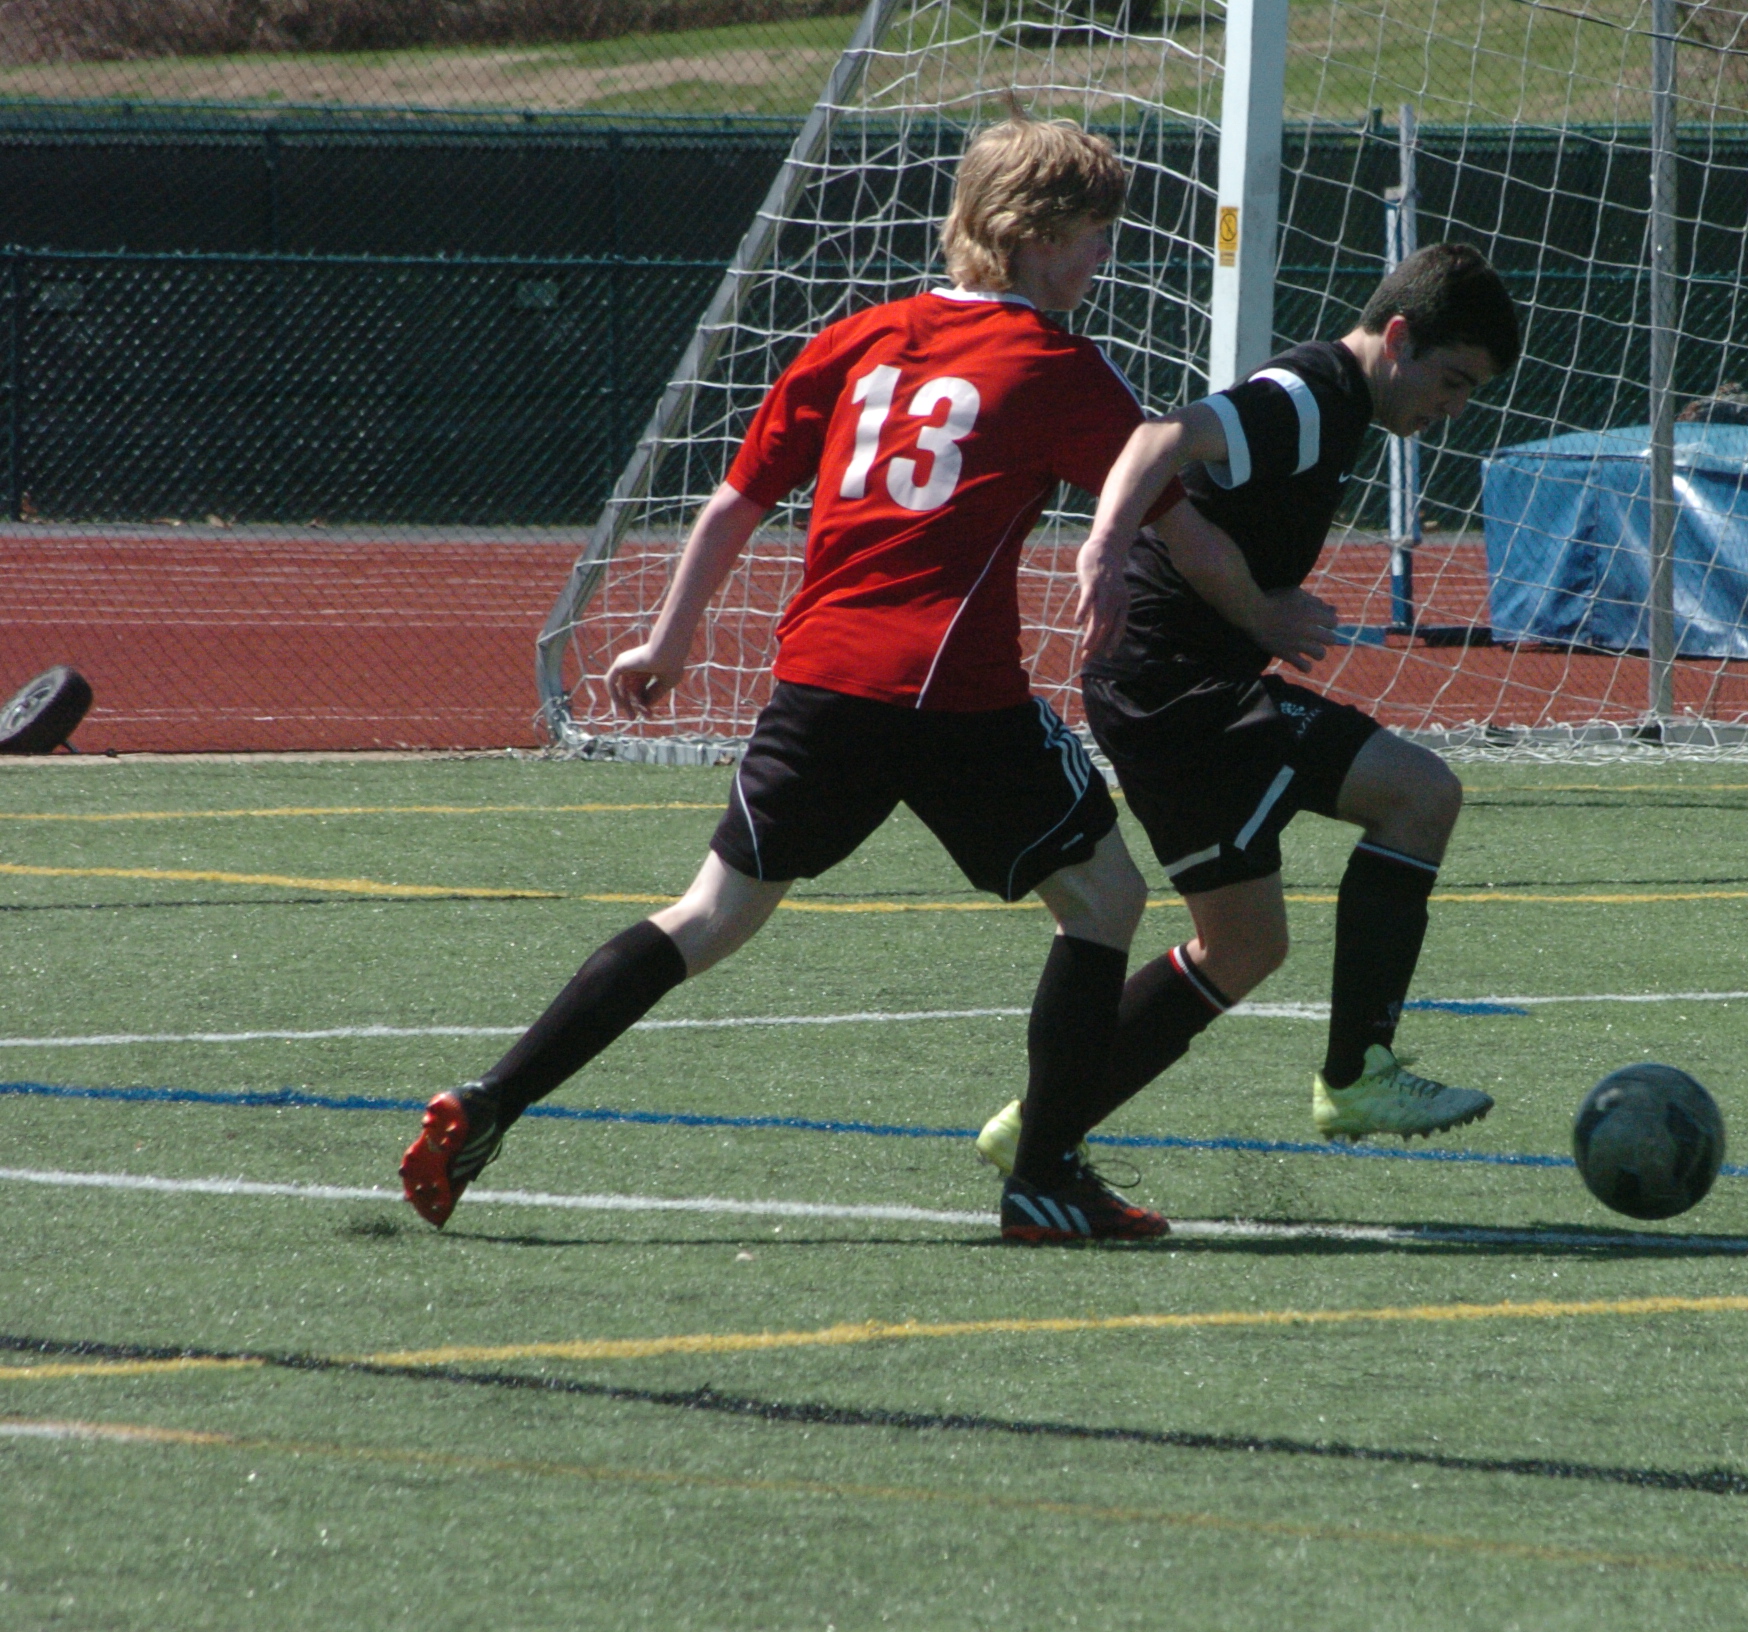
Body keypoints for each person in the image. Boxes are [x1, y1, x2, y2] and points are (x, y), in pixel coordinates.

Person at [400, 116, 1212, 1245]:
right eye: (1091, 232)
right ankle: (1043, 1180)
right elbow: (1179, 520)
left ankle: (493, 1099)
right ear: (1031, 235)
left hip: (819, 682)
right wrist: (1266, 607)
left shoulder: (858, 338)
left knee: (709, 916)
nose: (1103, 256)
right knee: (1105, 900)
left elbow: (734, 501)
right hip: (952, 695)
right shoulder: (1058, 367)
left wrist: (667, 642)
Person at [971, 243, 1519, 1178]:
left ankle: (1041, 1123)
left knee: (1244, 945)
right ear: (1397, 338)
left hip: (1164, 689)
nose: (1453, 409)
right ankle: (1359, 1073)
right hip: (1180, 691)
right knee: (1420, 795)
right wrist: (1104, 547)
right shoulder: (1307, 397)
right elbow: (1158, 439)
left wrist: (1252, 608)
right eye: (1453, 381)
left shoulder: (1336, 406)